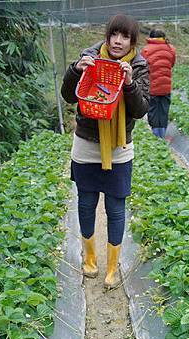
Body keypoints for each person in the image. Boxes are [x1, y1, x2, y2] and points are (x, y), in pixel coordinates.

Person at [61, 14, 150, 288]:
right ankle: (89, 259)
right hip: (87, 142)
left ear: (132, 41)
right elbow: (68, 95)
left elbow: (141, 109)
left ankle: (113, 266)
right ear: (107, 36)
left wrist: (130, 84)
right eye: (114, 35)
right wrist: (76, 70)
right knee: (86, 203)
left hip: (119, 147)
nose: (118, 41)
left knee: (115, 206)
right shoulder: (89, 56)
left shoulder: (139, 65)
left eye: (125, 37)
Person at [141, 29, 176, 138]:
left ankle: (156, 135)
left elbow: (142, 67)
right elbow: (172, 64)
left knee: (153, 110)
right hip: (166, 87)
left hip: (152, 87)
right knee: (164, 110)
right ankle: (162, 134)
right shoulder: (171, 49)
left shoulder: (146, 50)